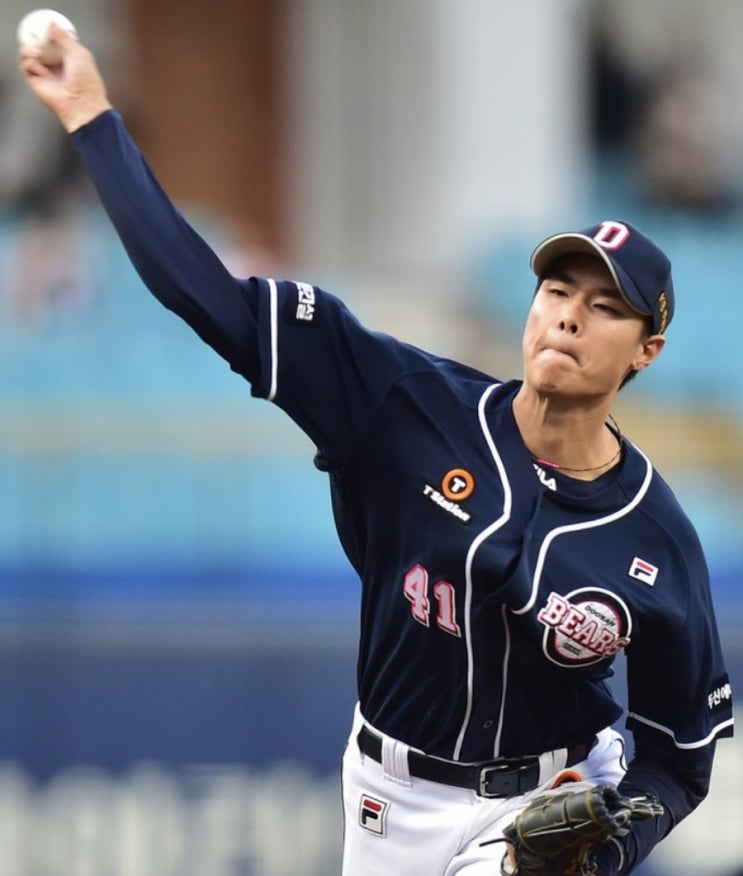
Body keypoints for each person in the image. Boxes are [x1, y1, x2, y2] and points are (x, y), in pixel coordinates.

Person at [19, 26, 734, 876]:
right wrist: (92, 114)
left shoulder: (652, 534)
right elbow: (198, 291)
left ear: (645, 350)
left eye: (605, 307)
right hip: (385, 804)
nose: (569, 315)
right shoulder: (402, 403)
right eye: (555, 289)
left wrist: (615, 844)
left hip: (539, 814)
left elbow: (677, 758)